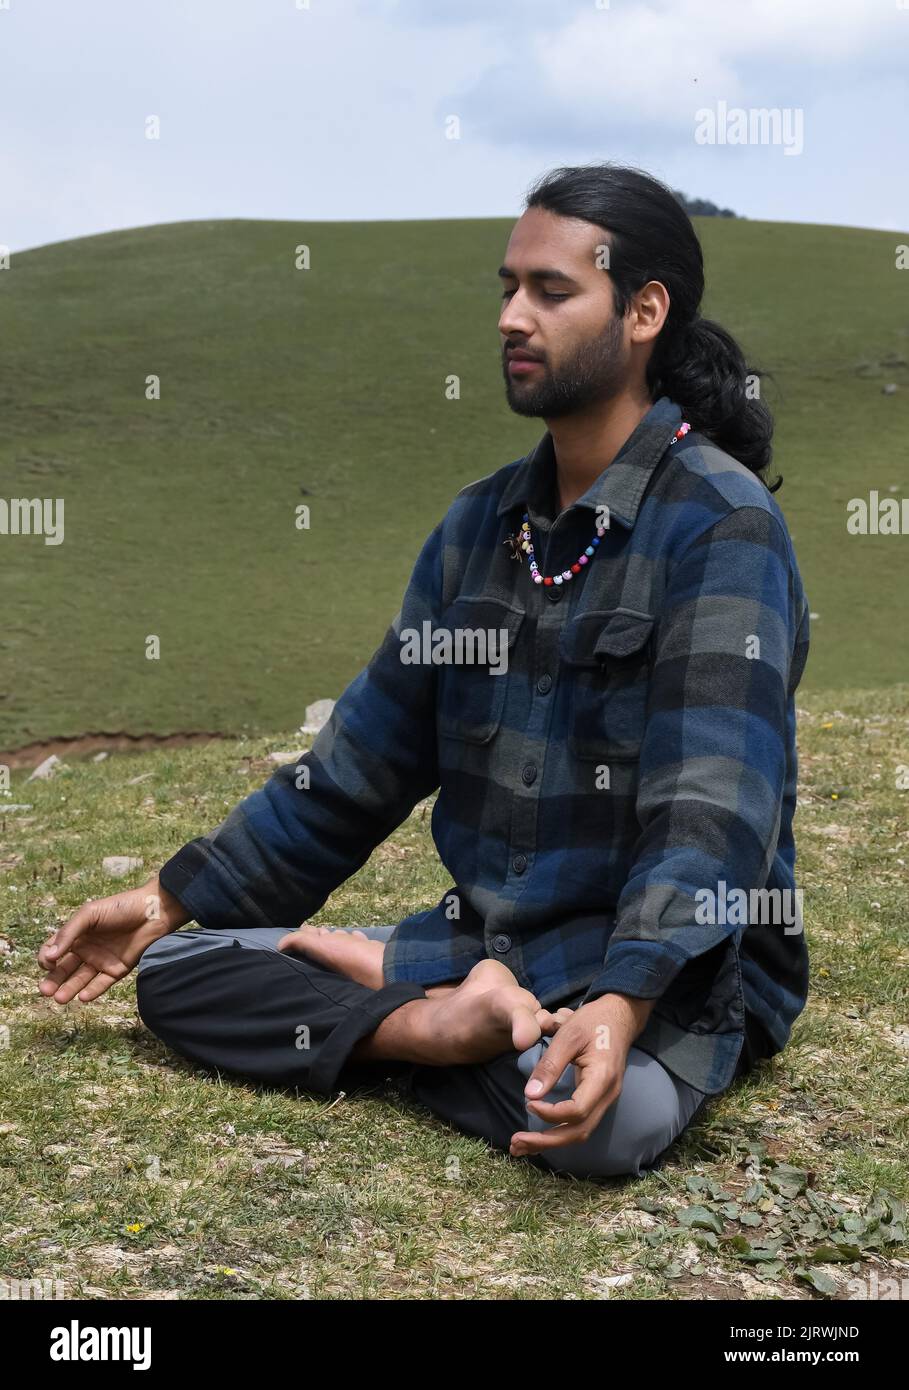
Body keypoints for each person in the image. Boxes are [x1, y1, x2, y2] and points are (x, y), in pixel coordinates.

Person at [37, 163, 810, 1182]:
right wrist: (164, 900)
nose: (511, 316)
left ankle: (419, 1009)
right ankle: (438, 1030)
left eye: (551, 290)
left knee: (600, 1124)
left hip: (665, 977)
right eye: (507, 287)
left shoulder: (724, 525)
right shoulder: (476, 528)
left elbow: (712, 819)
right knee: (177, 974)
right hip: (480, 956)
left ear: (644, 312)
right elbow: (352, 772)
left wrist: (620, 1004)